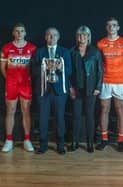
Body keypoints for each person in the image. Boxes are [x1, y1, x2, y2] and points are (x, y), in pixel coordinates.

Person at [33, 27, 72, 155]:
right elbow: (33, 71)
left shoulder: (65, 52)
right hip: (44, 90)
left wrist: (61, 68)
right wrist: (43, 68)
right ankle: (43, 144)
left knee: (60, 118)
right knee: (43, 118)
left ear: (58, 37)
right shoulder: (39, 52)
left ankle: (60, 144)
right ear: (45, 37)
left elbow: (70, 70)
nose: (52, 37)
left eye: (54, 35)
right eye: (49, 35)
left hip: (59, 90)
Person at [96, 17, 123, 152]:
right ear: (106, 27)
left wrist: (121, 76)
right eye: (109, 25)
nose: (112, 27)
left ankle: (120, 141)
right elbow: (98, 65)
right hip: (105, 81)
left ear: (118, 27)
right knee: (104, 109)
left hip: (119, 82)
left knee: (119, 110)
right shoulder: (100, 43)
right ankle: (104, 139)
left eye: (114, 25)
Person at [0, 23, 36, 152]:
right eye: (17, 31)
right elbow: (2, 69)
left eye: (22, 31)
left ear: (25, 33)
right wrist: (10, 79)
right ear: (13, 33)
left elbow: (34, 69)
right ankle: (9, 140)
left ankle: (27, 139)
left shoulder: (32, 48)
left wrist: (28, 79)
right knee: (10, 111)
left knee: (26, 111)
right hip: (12, 84)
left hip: (26, 85)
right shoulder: (6, 47)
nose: (19, 33)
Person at [68, 25, 103, 153]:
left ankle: (90, 144)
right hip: (76, 89)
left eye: (84, 35)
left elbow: (100, 71)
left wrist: (98, 87)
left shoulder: (95, 51)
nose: (81, 37)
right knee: (76, 116)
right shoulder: (72, 51)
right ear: (77, 37)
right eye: (79, 35)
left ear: (88, 37)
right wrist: (70, 87)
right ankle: (74, 142)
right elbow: (68, 72)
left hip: (91, 89)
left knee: (90, 116)